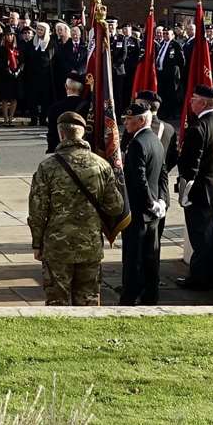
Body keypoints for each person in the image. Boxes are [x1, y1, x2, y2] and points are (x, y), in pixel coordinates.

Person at [28, 111, 129, 306]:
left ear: (62, 134)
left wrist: (37, 243)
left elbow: (37, 210)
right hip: (89, 243)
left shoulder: (47, 167)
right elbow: (116, 206)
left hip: (57, 245)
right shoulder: (101, 165)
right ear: (82, 134)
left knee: (58, 301)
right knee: (88, 300)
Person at [175, 84, 213, 291]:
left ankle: (199, 279)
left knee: (200, 238)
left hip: (199, 191)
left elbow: (189, 165)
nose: (190, 101)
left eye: (194, 98)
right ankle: (212, 277)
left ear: (204, 103)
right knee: (212, 236)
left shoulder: (199, 128)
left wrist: (185, 192)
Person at [119, 101, 168, 306]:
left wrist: (150, 203)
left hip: (139, 211)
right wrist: (162, 201)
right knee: (150, 256)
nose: (126, 123)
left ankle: (129, 298)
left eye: (130, 120)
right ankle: (150, 295)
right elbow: (163, 174)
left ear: (141, 120)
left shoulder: (138, 144)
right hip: (153, 212)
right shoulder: (154, 140)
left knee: (133, 258)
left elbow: (139, 180)